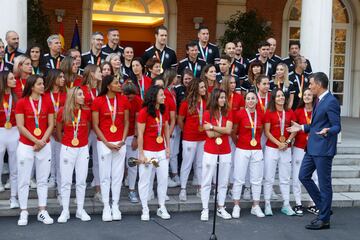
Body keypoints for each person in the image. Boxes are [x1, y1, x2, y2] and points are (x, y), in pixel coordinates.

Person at [287, 72, 341, 230]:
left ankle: (324, 219)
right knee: (303, 176)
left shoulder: (331, 101)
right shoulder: (319, 100)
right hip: (311, 149)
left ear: (318, 84)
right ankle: (324, 209)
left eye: (311, 84)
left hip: (324, 149)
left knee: (324, 185)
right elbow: (316, 124)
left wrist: (328, 130)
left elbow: (337, 126)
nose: (309, 87)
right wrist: (302, 127)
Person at [15, 75, 55, 226]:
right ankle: (23, 211)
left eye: (43, 83)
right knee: (24, 180)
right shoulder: (21, 102)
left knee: (42, 180)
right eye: (39, 84)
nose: (43, 86)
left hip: (44, 145)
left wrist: (42, 141)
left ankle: (42, 211)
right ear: (32, 87)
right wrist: (36, 140)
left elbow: (51, 124)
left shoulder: (48, 101)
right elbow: (20, 126)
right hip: (26, 146)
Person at [92, 75, 129, 222]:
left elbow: (126, 122)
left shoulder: (124, 100)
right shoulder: (98, 101)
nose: (119, 85)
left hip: (120, 142)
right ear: (108, 86)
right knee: (105, 176)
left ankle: (115, 205)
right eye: (116, 83)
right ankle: (106, 206)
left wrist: (123, 140)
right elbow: (95, 125)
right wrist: (106, 142)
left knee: (118, 176)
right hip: (104, 143)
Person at [56, 87, 92, 223]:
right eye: (80, 94)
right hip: (67, 148)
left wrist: (81, 141)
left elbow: (88, 128)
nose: (84, 97)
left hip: (82, 148)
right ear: (73, 97)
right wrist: (65, 142)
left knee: (81, 181)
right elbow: (58, 130)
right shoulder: (62, 112)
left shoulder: (86, 112)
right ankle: (65, 210)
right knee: (66, 181)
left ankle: (80, 210)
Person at [137, 85, 171, 221]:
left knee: (163, 179)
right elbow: (140, 133)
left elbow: (166, 128)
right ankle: (144, 207)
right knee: (145, 180)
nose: (164, 97)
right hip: (148, 152)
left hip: (161, 152)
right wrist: (141, 154)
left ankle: (161, 206)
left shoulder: (163, 110)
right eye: (161, 95)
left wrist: (168, 147)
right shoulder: (144, 112)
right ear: (154, 96)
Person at [231, 91, 265, 218]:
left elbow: (260, 132)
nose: (250, 101)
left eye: (253, 99)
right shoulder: (239, 114)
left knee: (256, 179)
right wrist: (239, 143)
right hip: (242, 149)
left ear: (256, 101)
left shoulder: (261, 115)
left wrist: (253, 143)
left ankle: (255, 206)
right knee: (238, 178)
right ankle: (236, 205)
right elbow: (233, 132)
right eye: (248, 99)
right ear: (245, 101)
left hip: (257, 150)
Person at [263, 88, 297, 216]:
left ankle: (286, 204)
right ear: (273, 98)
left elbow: (295, 128)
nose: (281, 98)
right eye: (278, 96)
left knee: (285, 178)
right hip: (272, 148)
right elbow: (267, 132)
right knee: (269, 178)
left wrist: (287, 142)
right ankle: (267, 204)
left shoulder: (289, 112)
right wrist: (279, 144)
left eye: (282, 96)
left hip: (286, 148)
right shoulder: (269, 112)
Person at [201, 88, 233, 221]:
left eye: (224, 97)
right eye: (220, 97)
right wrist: (223, 130)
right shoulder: (207, 113)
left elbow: (229, 130)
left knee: (223, 181)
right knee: (207, 180)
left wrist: (213, 127)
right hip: (210, 150)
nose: (223, 100)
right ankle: (205, 209)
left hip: (225, 150)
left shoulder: (228, 113)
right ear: (215, 98)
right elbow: (208, 134)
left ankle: (221, 207)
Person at [178, 79, 207, 201]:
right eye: (202, 87)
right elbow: (180, 120)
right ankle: (183, 189)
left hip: (203, 138)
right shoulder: (186, 103)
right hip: (189, 138)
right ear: (196, 89)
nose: (204, 89)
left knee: (200, 164)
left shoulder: (206, 102)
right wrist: (187, 131)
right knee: (187, 163)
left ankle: (200, 188)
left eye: (204, 87)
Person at [291, 88, 319, 216]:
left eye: (309, 95)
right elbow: (293, 129)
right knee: (297, 176)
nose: (307, 97)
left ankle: (313, 203)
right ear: (302, 98)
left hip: (314, 148)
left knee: (314, 177)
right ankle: (298, 203)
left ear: (313, 97)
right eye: (305, 95)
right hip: (299, 148)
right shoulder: (297, 112)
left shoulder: (317, 111)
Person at [43, 70, 67, 198]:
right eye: (60, 77)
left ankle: (61, 184)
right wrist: (51, 129)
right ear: (53, 78)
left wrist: (59, 129)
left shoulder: (65, 94)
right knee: (50, 156)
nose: (63, 79)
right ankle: (52, 177)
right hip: (47, 130)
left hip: (61, 130)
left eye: (63, 76)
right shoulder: (45, 94)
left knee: (60, 157)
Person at [80, 64, 102, 202]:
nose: (102, 73)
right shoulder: (82, 90)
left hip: (99, 129)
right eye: (99, 71)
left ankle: (98, 190)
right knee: (82, 160)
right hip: (85, 129)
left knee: (99, 160)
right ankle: (79, 192)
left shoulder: (101, 89)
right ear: (92, 74)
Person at [0, 71, 20, 208]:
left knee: (14, 167)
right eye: (11, 78)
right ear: (4, 80)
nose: (15, 80)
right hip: (0, 131)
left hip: (14, 131)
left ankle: (13, 197)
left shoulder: (17, 96)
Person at [122, 82, 142, 203]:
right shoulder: (119, 99)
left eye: (131, 96)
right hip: (119, 135)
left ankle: (132, 190)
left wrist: (136, 137)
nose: (129, 99)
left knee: (133, 164)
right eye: (127, 96)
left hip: (131, 135)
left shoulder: (138, 101)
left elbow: (138, 121)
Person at [163, 69, 181, 187]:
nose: (177, 79)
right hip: (168, 126)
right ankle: (166, 176)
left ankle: (174, 174)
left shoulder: (173, 91)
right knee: (167, 152)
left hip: (174, 126)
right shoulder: (164, 92)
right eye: (176, 77)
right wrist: (168, 130)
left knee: (174, 152)